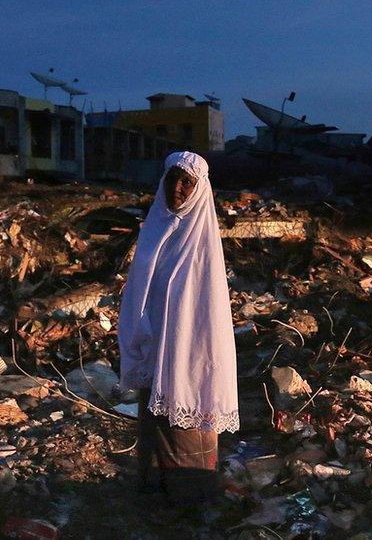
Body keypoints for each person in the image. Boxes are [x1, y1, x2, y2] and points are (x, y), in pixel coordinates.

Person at [118, 150, 239, 505]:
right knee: (154, 420)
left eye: (187, 182)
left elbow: (204, 311)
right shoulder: (155, 227)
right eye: (173, 180)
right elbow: (139, 291)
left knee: (186, 419)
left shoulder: (201, 240)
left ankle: (190, 494)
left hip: (190, 351)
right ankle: (153, 487)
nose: (178, 189)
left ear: (200, 187)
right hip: (155, 344)